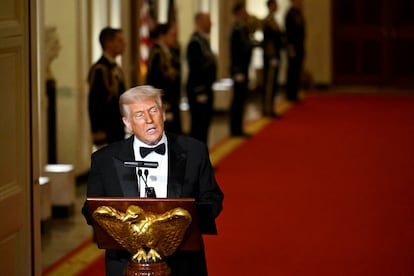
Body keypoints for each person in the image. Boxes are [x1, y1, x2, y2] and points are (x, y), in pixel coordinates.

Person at [81, 85, 224, 276]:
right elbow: (90, 211)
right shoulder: (104, 160)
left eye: (153, 111)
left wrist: (185, 219)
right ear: (128, 123)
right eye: (139, 115)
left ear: (163, 114)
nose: (149, 120)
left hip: (184, 265)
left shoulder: (194, 151)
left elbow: (213, 198)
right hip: (125, 265)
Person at [87, 27, 126, 148]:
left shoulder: (116, 68)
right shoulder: (100, 69)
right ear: (109, 43)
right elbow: (94, 103)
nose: (124, 44)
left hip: (117, 128)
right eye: (119, 40)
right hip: (105, 132)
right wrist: (97, 131)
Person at [186, 12, 217, 144]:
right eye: (208, 21)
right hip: (199, 91)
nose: (211, 24)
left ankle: (202, 161)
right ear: (199, 23)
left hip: (206, 89)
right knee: (198, 128)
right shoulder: (195, 42)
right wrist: (200, 91)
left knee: (204, 127)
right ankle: (196, 162)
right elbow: (195, 69)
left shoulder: (203, 40)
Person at [146, 23, 182, 134]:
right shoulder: (157, 53)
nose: (174, 38)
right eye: (171, 35)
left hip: (172, 100)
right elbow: (156, 82)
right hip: (165, 103)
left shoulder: (169, 52)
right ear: (162, 36)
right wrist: (165, 105)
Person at [229, 2, 253, 137]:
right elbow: (236, 52)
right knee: (237, 99)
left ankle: (238, 127)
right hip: (239, 69)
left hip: (244, 69)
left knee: (242, 98)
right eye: (244, 11)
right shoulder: (236, 29)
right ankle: (235, 129)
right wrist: (237, 71)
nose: (246, 14)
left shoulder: (244, 28)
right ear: (239, 13)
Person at [262, 0, 284, 118]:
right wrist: (272, 57)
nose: (277, 7)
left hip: (276, 56)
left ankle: (270, 107)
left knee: (273, 83)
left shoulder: (274, 20)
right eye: (275, 5)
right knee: (269, 84)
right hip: (271, 57)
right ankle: (267, 108)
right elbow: (268, 41)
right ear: (270, 6)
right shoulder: (268, 21)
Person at [285, 0, 306, 102]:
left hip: (299, 46)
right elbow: (289, 33)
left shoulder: (299, 13)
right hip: (293, 47)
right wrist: (290, 48)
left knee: (297, 69)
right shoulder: (290, 14)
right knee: (292, 70)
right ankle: (290, 94)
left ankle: (295, 92)